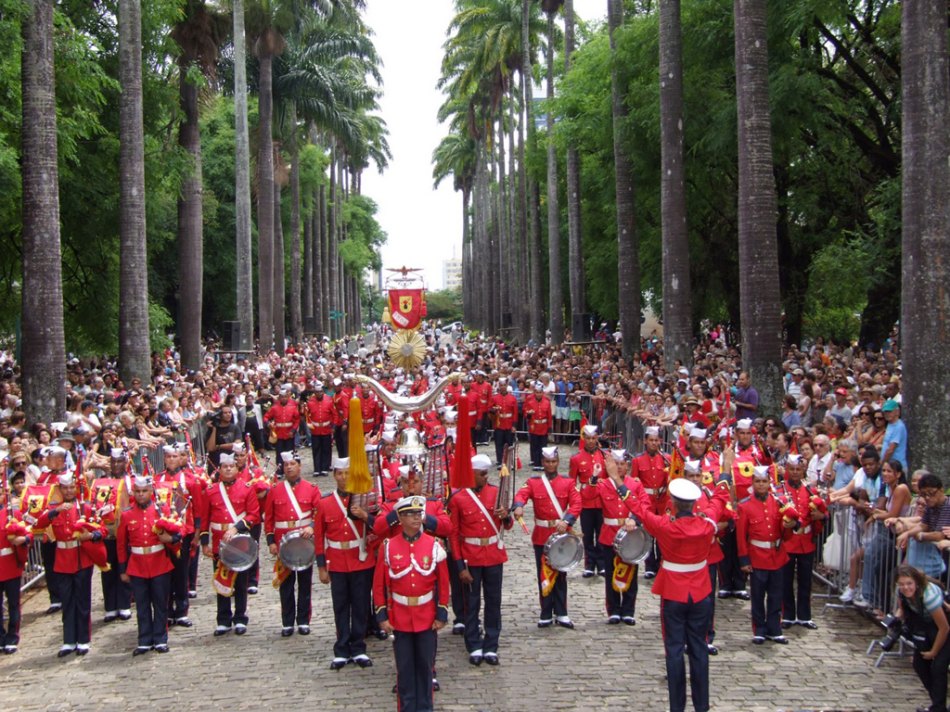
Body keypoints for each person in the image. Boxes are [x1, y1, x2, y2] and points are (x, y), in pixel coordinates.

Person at [608, 458, 726, 712]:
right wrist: (725, 470)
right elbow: (719, 500)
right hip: (702, 591)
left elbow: (638, 508)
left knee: (673, 650)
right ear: (695, 503)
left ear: (672, 503)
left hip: (673, 592)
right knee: (699, 648)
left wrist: (617, 481)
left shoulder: (665, 526)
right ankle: (702, 706)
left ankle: (677, 707)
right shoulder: (706, 524)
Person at [374, 495, 449, 712]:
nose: (417, 518)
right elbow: (379, 585)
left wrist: (441, 613)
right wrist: (382, 616)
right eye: (410, 514)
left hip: (426, 617)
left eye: (419, 513)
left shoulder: (434, 545)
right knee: (405, 671)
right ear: (400, 517)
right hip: (400, 617)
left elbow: (443, 584)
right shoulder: (388, 546)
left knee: (426, 669)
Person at [447, 453, 511, 666]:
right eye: (482, 474)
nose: (486, 477)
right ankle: (473, 644)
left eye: (487, 474)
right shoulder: (457, 498)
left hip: (493, 555)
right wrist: (458, 565)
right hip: (471, 558)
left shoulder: (496, 492)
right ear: (471, 474)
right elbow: (453, 534)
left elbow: (507, 525)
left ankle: (491, 644)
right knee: (471, 604)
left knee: (493, 602)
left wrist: (506, 515)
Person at [314, 457, 376, 670]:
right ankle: (341, 648)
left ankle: (358, 647)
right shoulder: (324, 503)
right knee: (340, 606)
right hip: (337, 563)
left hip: (360, 560)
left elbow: (378, 527)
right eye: (340, 473)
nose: (343, 477)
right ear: (334, 476)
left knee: (360, 606)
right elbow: (319, 537)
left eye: (347, 473)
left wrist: (365, 516)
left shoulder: (364, 500)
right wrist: (322, 567)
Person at [35, 470, 105, 657]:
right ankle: (68, 640)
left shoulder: (85, 507)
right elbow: (38, 523)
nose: (68, 491)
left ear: (76, 488)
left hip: (81, 557)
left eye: (71, 487)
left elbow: (102, 529)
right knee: (67, 601)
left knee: (82, 601)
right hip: (62, 559)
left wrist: (92, 535)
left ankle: (83, 639)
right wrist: (55, 511)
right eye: (64, 488)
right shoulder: (54, 508)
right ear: (60, 489)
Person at [512, 446, 582, 628]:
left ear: (558, 462)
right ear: (542, 463)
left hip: (561, 534)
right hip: (541, 535)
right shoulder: (534, 482)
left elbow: (576, 503)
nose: (550, 465)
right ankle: (545, 612)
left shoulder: (567, 483)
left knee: (561, 574)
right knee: (543, 573)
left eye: (553, 462)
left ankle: (561, 612)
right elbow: (521, 494)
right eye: (547, 462)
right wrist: (518, 505)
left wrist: (567, 521)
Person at [116, 474, 179, 656]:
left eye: (144, 491)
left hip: (159, 562)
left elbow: (177, 532)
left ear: (151, 492)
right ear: (133, 493)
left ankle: (160, 638)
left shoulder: (161, 511)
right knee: (142, 605)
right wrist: (122, 569)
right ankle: (144, 639)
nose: (141, 495)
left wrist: (170, 538)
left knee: (160, 603)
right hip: (137, 565)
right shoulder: (127, 515)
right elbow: (121, 544)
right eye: (138, 491)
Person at [198, 452, 261, 636]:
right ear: (219, 469)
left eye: (231, 466)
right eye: (224, 467)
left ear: (236, 468)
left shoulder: (247, 488)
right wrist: (204, 543)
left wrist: (236, 528)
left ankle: (241, 617)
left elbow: (253, 515)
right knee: (221, 580)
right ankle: (223, 620)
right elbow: (204, 518)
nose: (228, 469)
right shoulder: (211, 491)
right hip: (219, 542)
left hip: (239, 540)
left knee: (241, 581)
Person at [737, 466, 797, 644]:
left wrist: (789, 526)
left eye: (764, 481)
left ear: (770, 483)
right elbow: (741, 536)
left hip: (777, 556)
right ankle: (759, 629)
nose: (761, 485)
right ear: (752, 483)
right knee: (757, 596)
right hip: (757, 556)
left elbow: (785, 534)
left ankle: (774, 628)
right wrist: (744, 560)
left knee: (776, 595)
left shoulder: (779, 503)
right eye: (758, 482)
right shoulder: (745, 505)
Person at [264, 451, 319, 637]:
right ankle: (287, 622)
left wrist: (311, 527)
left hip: (304, 544)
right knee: (285, 584)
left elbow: (319, 513)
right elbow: (269, 519)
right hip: (283, 544)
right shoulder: (274, 490)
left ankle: (303, 620)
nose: (289, 467)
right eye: (286, 464)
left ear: (300, 466)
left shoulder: (311, 489)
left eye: (293, 463)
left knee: (304, 584)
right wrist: (271, 542)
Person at [776, 454, 826, 629]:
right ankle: (788, 615)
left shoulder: (810, 490)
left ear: (803, 470)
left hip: (806, 541)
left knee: (805, 581)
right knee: (786, 580)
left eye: (798, 469)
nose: (795, 473)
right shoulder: (780, 491)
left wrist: (821, 516)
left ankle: (805, 616)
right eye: (792, 469)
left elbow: (821, 513)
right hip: (789, 541)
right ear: (787, 470)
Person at [154, 443, 202, 628]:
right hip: (164, 532)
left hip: (184, 531)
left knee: (181, 572)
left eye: (175, 456)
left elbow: (197, 508)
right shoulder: (156, 480)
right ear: (165, 459)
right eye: (168, 457)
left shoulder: (190, 480)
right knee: (165, 573)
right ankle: (166, 610)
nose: (172, 460)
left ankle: (181, 610)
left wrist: (197, 533)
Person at [893, 564, 950, 712]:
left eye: (909, 584)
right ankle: (939, 705)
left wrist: (933, 652)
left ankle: (938, 707)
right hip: (926, 628)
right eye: (902, 584)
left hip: (944, 627)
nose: (906, 588)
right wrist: (896, 619)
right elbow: (903, 609)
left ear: (916, 583)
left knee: (938, 667)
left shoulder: (929, 597)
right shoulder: (901, 593)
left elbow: (944, 628)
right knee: (920, 665)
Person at [596, 449, 643, 625]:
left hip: (630, 535)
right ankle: (614, 609)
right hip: (610, 533)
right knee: (611, 573)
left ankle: (629, 610)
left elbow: (643, 504)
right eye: (616, 464)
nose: (619, 467)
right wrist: (594, 478)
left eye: (622, 464)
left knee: (631, 572)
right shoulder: (603, 484)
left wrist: (634, 518)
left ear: (627, 466)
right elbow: (587, 497)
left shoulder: (635, 484)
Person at [630, 425, 670, 578]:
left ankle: (661, 564)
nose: (654, 443)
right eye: (651, 440)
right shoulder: (638, 460)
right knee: (647, 535)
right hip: (647, 503)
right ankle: (649, 566)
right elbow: (634, 484)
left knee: (661, 535)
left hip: (662, 502)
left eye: (656, 440)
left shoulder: (666, 459)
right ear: (645, 441)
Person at [568, 424, 605, 577]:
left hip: (602, 500)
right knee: (588, 534)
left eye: (593, 438)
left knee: (602, 534)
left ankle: (602, 564)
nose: (591, 441)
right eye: (588, 438)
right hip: (586, 501)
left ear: (597, 439)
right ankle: (589, 564)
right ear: (584, 439)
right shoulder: (576, 458)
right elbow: (571, 482)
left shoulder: (604, 456)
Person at [0, 482, 33, 654]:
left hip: (10, 564)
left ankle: (12, 636)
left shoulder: (12, 513)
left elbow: (29, 533)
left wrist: (23, 540)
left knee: (13, 603)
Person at [305, 383, 337, 477]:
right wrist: (309, 425)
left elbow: (334, 414)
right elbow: (307, 415)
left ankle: (324, 468)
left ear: (323, 392)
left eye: (321, 392)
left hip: (326, 429)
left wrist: (334, 426)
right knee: (316, 449)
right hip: (315, 430)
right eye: (317, 392)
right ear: (315, 392)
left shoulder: (329, 401)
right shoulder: (310, 402)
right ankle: (317, 469)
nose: (319, 394)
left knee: (326, 449)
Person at [523, 382, 552, 470]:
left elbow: (549, 416)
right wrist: (529, 414)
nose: (538, 394)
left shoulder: (547, 402)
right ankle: (536, 463)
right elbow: (525, 414)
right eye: (537, 392)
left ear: (542, 393)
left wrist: (549, 427)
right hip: (534, 426)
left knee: (543, 445)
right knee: (535, 445)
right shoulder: (530, 402)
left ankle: (543, 463)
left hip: (543, 426)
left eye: (540, 392)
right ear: (534, 392)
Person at [490, 380, 517, 467]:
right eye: (501, 385)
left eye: (504, 385)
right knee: (499, 443)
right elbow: (489, 409)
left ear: (507, 386)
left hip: (509, 424)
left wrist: (514, 425)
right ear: (499, 386)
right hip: (499, 424)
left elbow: (515, 413)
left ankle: (509, 461)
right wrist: (494, 410)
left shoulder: (512, 398)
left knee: (510, 444)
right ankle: (500, 461)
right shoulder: (495, 398)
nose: (502, 387)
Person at [880, 399, 908, 471]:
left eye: (889, 411)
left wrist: (882, 465)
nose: (887, 414)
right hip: (890, 467)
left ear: (897, 412)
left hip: (896, 467)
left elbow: (890, 450)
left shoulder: (898, 426)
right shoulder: (890, 424)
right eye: (885, 412)